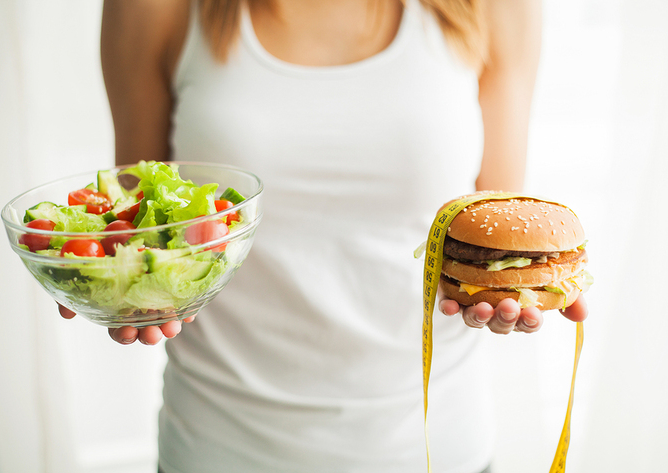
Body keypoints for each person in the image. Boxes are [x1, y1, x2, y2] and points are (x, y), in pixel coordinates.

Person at [59, 0, 589, 471]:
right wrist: (108, 281)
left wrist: (508, 295)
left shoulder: (495, 6)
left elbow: (496, 223)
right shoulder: (153, 7)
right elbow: (136, 221)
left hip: (434, 444)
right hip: (219, 445)